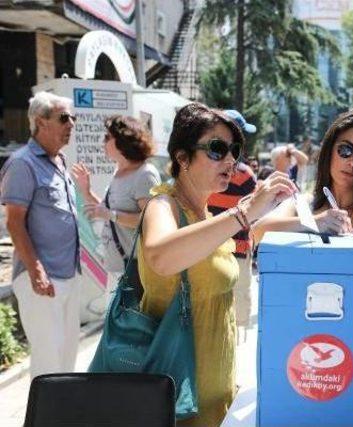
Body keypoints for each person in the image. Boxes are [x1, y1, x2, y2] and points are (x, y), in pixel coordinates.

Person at [137, 103, 296, 426]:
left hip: (215, 399)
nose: (230, 160)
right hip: (173, 404)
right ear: (182, 157)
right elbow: (161, 256)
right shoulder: (163, 205)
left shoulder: (206, 214)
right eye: (217, 149)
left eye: (234, 150)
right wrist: (243, 213)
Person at [254, 108, 353, 266]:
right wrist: (316, 223)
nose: (352, 163)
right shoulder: (304, 204)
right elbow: (257, 232)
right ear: (329, 149)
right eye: (345, 150)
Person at [0, 92, 81, 379]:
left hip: (67, 274)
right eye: (63, 118)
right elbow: (14, 222)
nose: (71, 123)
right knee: (49, 362)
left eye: (73, 117)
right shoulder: (23, 163)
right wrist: (36, 271)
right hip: (42, 278)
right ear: (40, 122)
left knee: (66, 357)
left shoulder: (59, 162)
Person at [72, 115, 160, 281]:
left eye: (107, 137)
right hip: (116, 269)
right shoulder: (118, 172)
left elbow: (150, 221)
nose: (103, 142)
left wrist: (110, 215)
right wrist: (86, 191)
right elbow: (107, 211)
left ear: (123, 140)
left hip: (136, 271)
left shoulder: (145, 174)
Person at [207, 109, 257, 339]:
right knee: (238, 297)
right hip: (237, 247)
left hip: (209, 247)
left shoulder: (205, 172)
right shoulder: (246, 175)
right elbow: (254, 214)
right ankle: (235, 337)